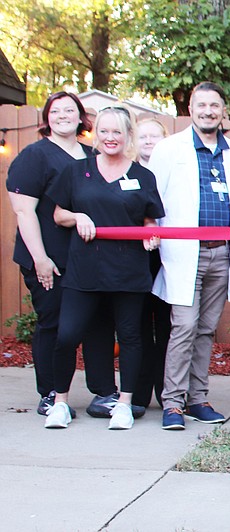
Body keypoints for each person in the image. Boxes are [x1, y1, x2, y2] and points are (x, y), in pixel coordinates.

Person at [42, 107, 165, 430]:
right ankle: (60, 403)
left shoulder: (142, 176)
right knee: (67, 335)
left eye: (117, 133)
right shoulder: (76, 171)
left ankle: (124, 403)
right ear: (96, 134)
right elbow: (57, 215)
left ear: (128, 137)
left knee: (130, 336)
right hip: (85, 271)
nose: (111, 138)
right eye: (105, 132)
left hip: (128, 271)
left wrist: (151, 236)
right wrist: (78, 217)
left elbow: (150, 220)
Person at [5, 91, 119, 417]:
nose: (63, 115)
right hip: (50, 259)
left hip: (88, 260)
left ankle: (103, 394)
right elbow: (25, 212)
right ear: (47, 117)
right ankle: (51, 392)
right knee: (53, 324)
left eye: (70, 110)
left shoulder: (92, 155)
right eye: (56, 111)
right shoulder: (34, 156)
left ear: (81, 116)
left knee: (99, 323)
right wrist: (40, 258)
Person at [148, 81, 230, 430]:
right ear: (191, 109)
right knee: (184, 326)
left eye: (214, 105)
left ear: (223, 111)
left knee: (206, 330)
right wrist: (153, 234)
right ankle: (172, 403)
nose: (208, 111)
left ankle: (198, 399)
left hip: (221, 254)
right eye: (201, 105)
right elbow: (152, 199)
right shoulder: (169, 149)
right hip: (184, 253)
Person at [133, 118, 171, 411]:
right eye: (143, 136)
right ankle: (139, 391)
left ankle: (166, 389)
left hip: (169, 256)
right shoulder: (127, 172)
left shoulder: (171, 169)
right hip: (136, 258)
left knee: (168, 327)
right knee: (139, 325)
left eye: (154, 136)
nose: (148, 141)